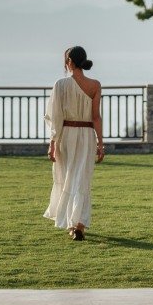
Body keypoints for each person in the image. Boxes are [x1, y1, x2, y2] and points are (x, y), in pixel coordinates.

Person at [43, 45, 104, 241]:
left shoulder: (60, 85)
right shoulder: (95, 85)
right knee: (82, 179)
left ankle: (72, 224)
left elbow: (55, 117)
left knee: (68, 177)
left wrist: (53, 143)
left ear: (69, 62)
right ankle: (79, 224)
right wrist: (100, 144)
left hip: (66, 135)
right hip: (87, 135)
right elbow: (96, 117)